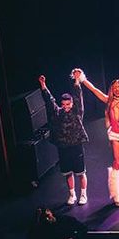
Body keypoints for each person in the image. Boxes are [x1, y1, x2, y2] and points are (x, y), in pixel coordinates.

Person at [80, 58, 119, 206]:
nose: (118, 89)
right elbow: (94, 90)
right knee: (117, 162)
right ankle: (116, 194)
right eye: (115, 87)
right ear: (112, 89)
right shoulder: (108, 100)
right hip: (115, 135)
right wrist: (82, 79)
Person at [39, 70, 89, 205]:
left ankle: (83, 195)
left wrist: (77, 81)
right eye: (64, 105)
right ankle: (72, 194)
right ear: (62, 104)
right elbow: (50, 102)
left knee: (80, 172)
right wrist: (44, 87)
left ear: (72, 104)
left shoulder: (77, 112)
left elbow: (78, 96)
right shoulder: (58, 113)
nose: (66, 107)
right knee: (67, 173)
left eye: (69, 104)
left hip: (76, 145)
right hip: (63, 146)